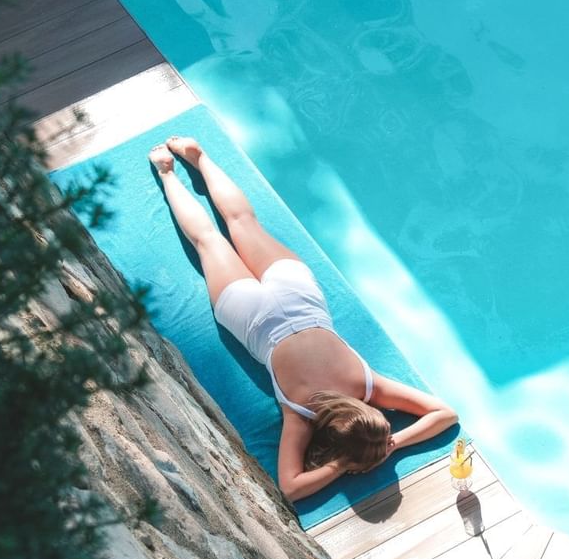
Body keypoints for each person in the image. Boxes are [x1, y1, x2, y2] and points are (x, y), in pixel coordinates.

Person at [149, 137, 458, 501]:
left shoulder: (369, 386)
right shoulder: (301, 416)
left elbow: (445, 413)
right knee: (208, 242)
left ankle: (199, 158)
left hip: (297, 296)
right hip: (251, 315)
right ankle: (167, 173)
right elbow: (292, 487)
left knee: (242, 221)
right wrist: (342, 463)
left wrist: (393, 440)